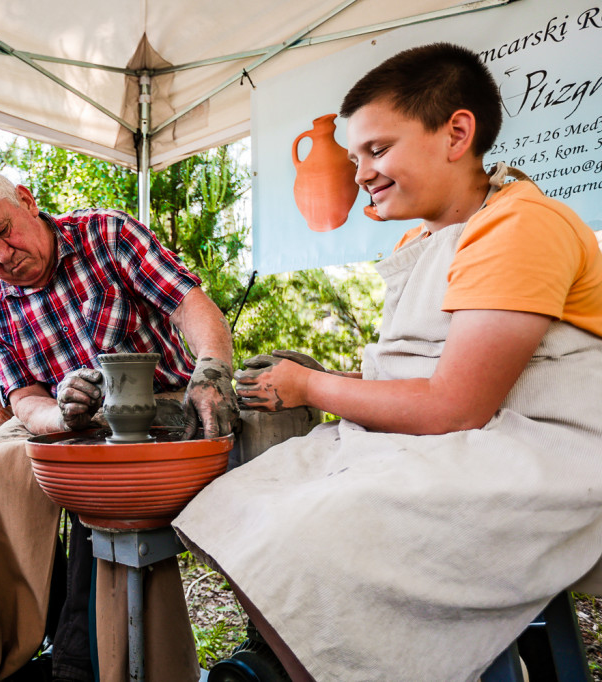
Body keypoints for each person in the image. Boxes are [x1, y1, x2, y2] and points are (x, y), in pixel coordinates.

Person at [174, 42, 602, 681]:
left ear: (457, 133)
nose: (361, 173)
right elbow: (421, 373)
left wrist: (312, 386)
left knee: (312, 531)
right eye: (354, 158)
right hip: (464, 430)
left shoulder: (521, 226)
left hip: (547, 446)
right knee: (232, 503)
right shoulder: (419, 240)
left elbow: (456, 403)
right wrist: (325, 385)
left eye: (377, 150)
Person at [0, 163, 238, 682]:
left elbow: (190, 305)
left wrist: (211, 369)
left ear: (26, 201)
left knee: (103, 497)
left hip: (158, 403)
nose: (1, 257)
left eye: (2, 231)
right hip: (66, 414)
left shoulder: (108, 234)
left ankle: (84, 659)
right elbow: (23, 398)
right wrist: (59, 414)